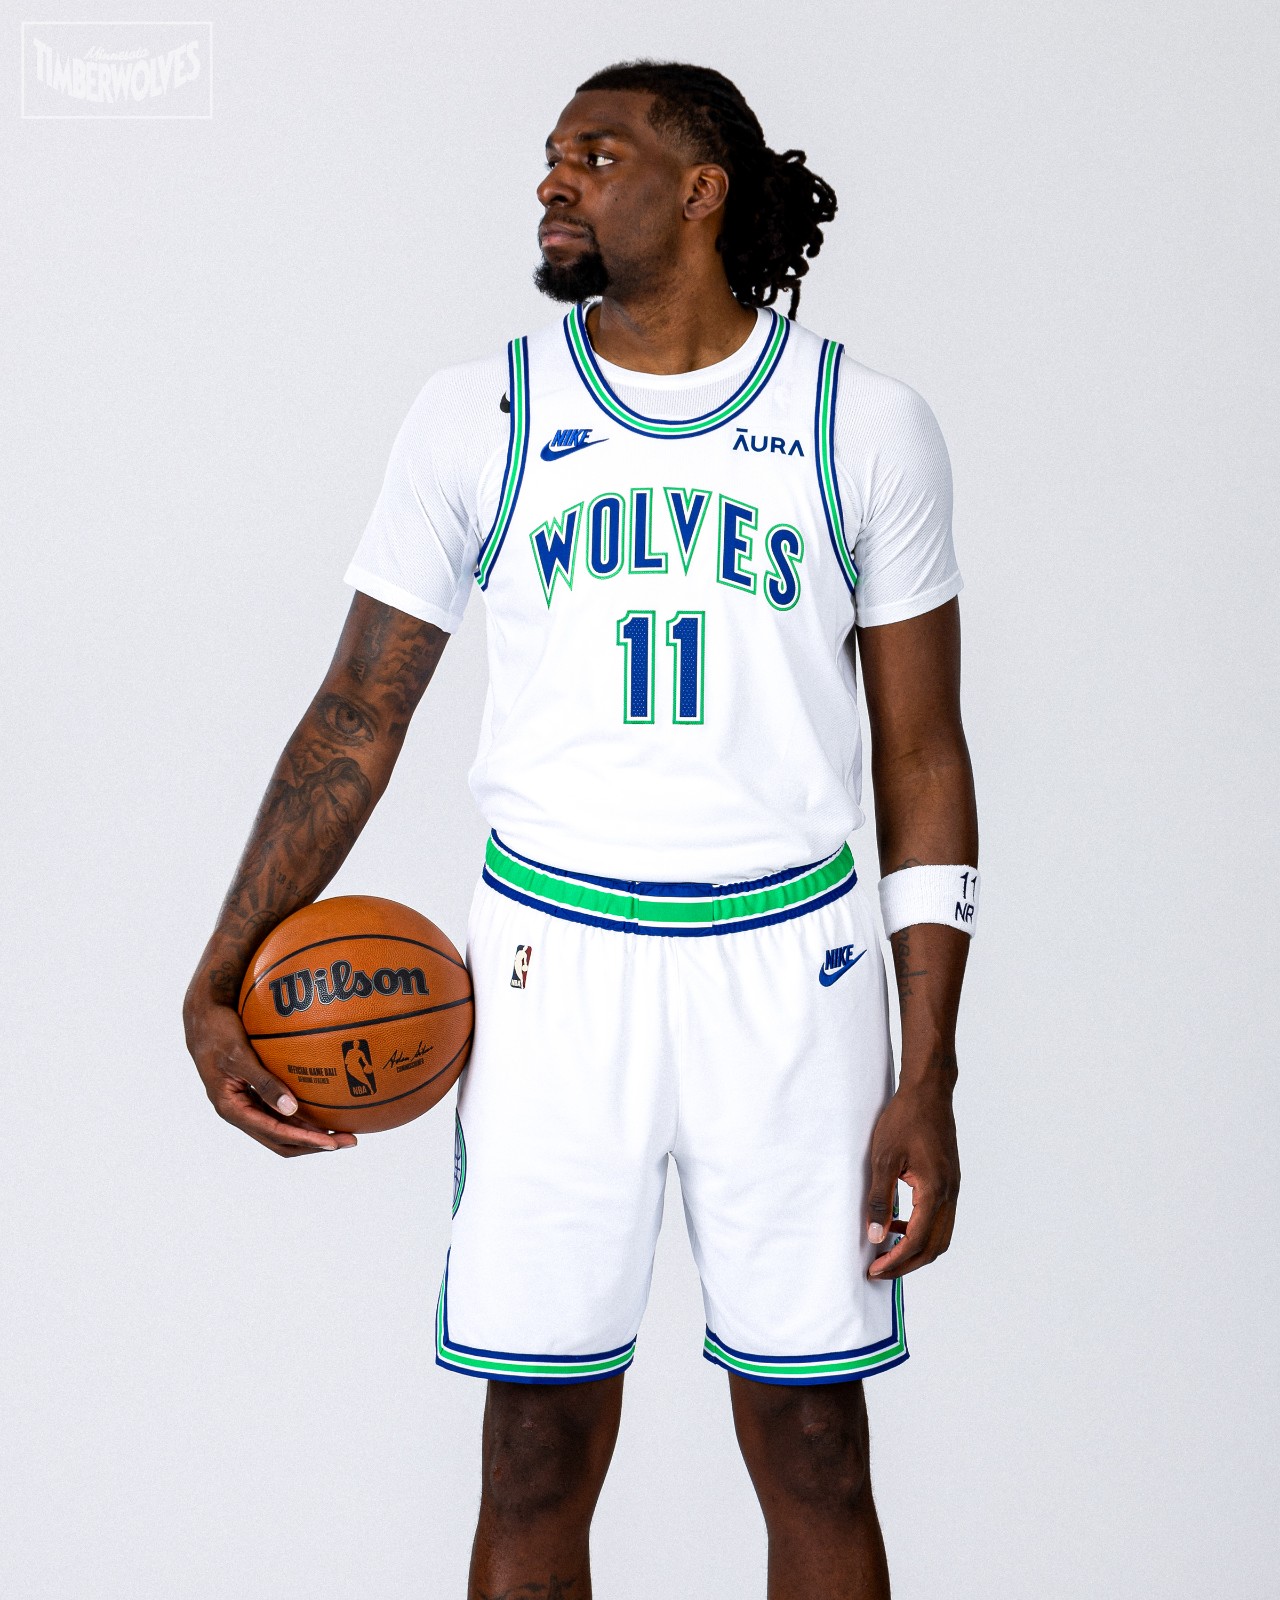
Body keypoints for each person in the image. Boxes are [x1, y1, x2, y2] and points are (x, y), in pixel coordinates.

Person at [183, 59, 979, 1600]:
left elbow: (923, 755)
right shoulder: (478, 412)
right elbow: (356, 713)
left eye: (596, 156)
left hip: (794, 975)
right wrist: (220, 972)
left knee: (818, 1444)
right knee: (534, 1447)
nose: (554, 181)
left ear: (702, 189)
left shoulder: (863, 422)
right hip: (555, 968)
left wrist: (930, 1066)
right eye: (551, 155)